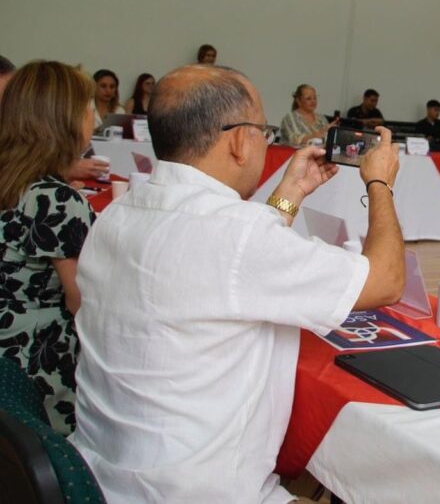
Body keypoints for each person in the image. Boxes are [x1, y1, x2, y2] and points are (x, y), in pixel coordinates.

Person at [72, 65, 405, 503]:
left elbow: (235, 265)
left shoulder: (118, 213)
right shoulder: (237, 235)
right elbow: (385, 281)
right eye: (264, 131)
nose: (266, 143)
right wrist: (380, 182)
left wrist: (292, 192)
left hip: (99, 477)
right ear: (237, 139)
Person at [0, 61, 96, 434]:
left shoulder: (18, 182)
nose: (96, 121)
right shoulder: (57, 199)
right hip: (39, 368)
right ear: (65, 119)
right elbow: (80, 300)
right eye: (88, 109)